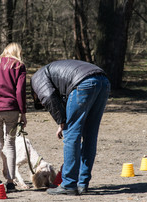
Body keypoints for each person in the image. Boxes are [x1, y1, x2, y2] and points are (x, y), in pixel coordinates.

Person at [30, 59, 110, 195]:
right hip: (103, 81)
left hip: (83, 83)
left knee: (72, 136)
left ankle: (69, 184)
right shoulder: (52, 75)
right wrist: (63, 122)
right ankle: (83, 184)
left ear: (34, 94)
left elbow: (49, 97)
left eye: (40, 102)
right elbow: (66, 102)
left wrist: (61, 121)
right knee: (90, 135)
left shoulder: (37, 78)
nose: (43, 104)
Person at [0, 42, 27, 192]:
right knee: (10, 143)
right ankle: (10, 181)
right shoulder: (18, 66)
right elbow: (20, 91)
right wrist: (23, 112)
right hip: (11, 109)